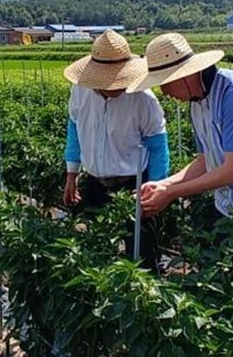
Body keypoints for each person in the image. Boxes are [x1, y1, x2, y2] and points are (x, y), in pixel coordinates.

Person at [128, 33, 233, 279]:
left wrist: (171, 193)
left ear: (185, 75)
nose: (164, 92)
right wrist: (164, 183)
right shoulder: (197, 103)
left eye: (165, 83)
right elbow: (205, 162)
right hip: (231, 214)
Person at [62, 30, 169, 270]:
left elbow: (158, 147)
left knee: (142, 258)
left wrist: (156, 189)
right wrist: (71, 174)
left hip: (133, 186)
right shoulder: (79, 91)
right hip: (94, 184)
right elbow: (74, 129)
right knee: (94, 257)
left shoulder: (144, 100)